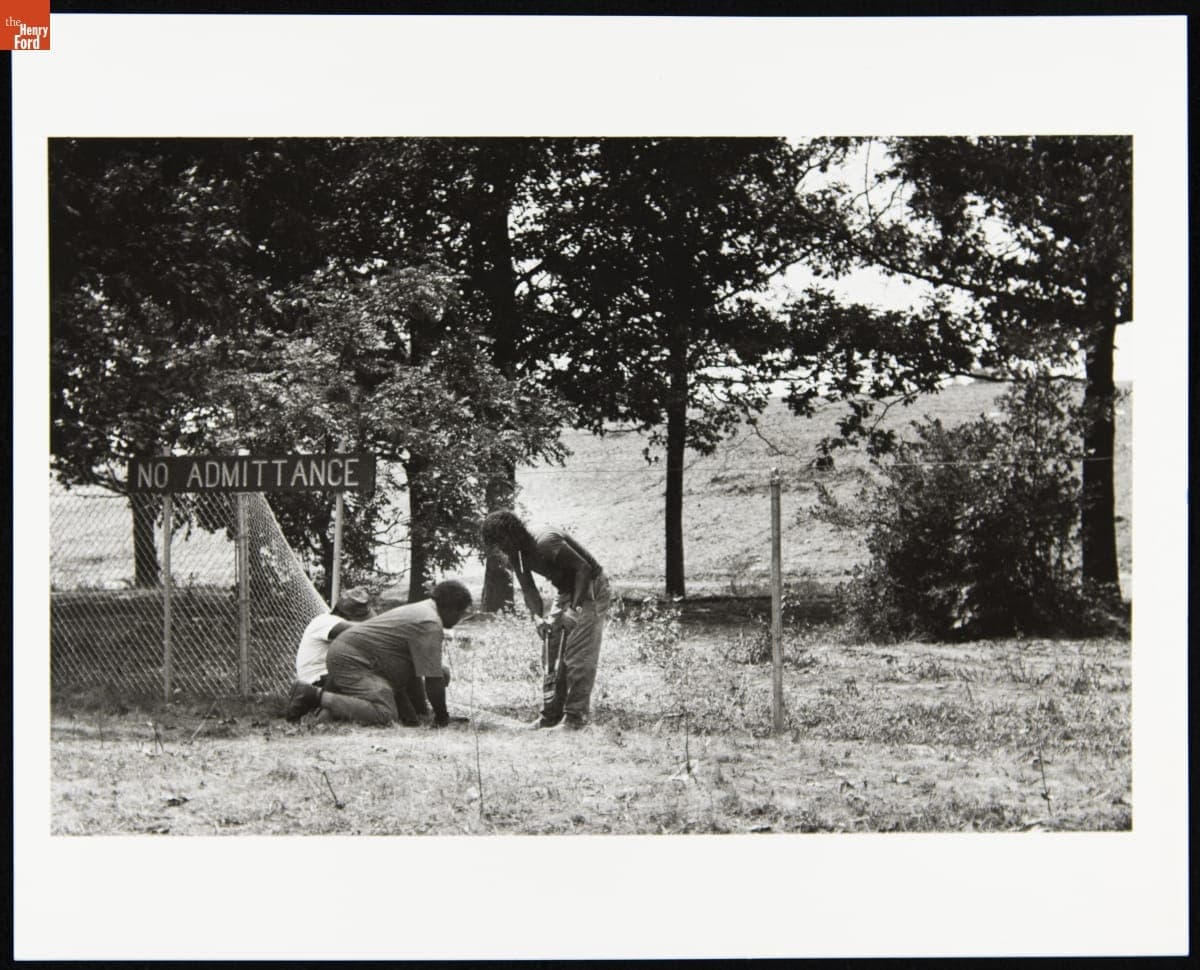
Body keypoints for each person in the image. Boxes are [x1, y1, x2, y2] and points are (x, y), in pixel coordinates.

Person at [480, 510, 610, 731]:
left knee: (577, 655)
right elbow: (529, 590)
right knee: (550, 652)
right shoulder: (516, 555)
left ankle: (575, 719)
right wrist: (537, 618)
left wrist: (575, 611)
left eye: (502, 543)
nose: (501, 550)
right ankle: (550, 717)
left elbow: (584, 569)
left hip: (590, 588)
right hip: (566, 591)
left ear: (513, 534)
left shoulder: (546, 542)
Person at [286, 580, 472, 727]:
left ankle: (330, 709)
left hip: (361, 661)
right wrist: (442, 719)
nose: (459, 619)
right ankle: (312, 696)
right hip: (352, 660)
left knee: (405, 715)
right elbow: (433, 679)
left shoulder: (423, 610)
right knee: (385, 714)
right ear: (451, 608)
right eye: (460, 613)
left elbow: (416, 670)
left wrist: (423, 714)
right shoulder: (430, 622)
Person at [287, 587, 373, 721]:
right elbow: (364, 631)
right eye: (361, 618)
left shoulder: (329, 620)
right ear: (350, 616)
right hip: (316, 680)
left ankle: (323, 711)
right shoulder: (327, 622)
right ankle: (318, 710)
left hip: (324, 678)